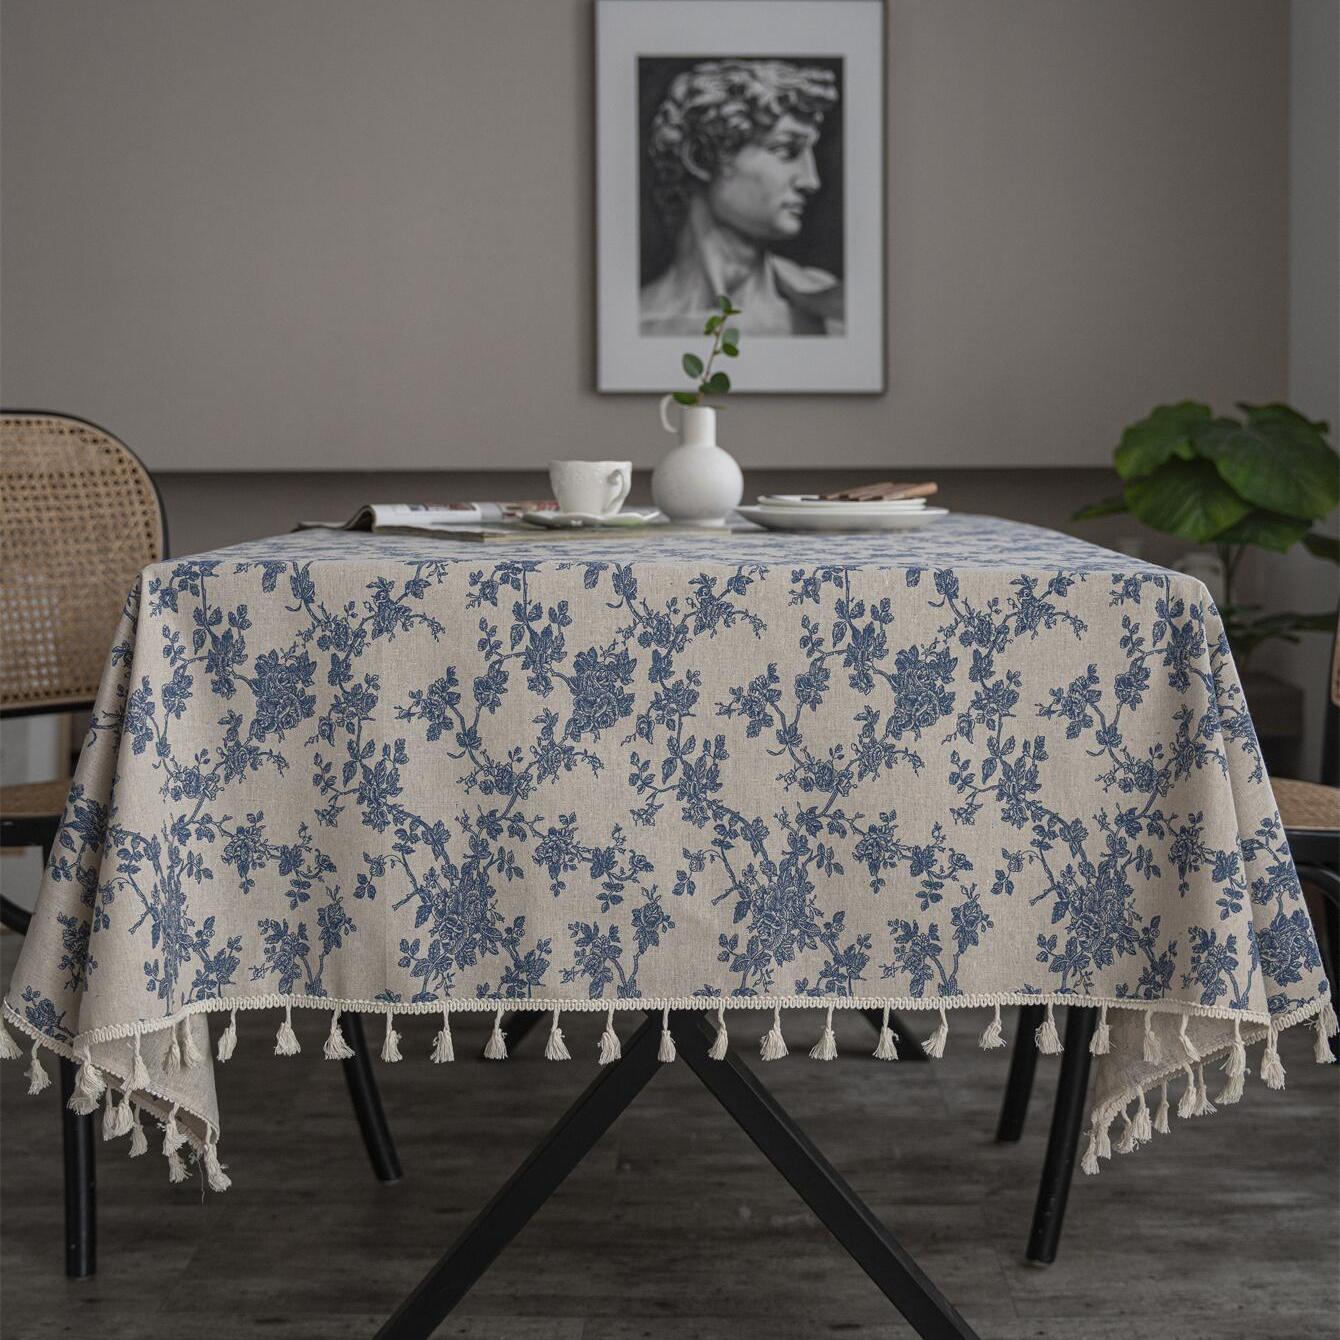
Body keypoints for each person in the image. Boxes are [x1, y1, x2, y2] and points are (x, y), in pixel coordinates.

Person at [641, 58, 843, 337]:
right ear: (700, 157)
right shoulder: (634, 323)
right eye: (786, 150)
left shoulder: (832, 313)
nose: (811, 181)